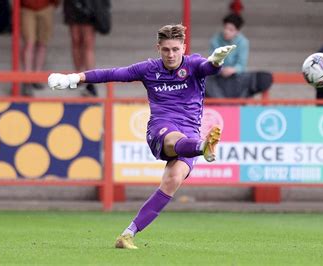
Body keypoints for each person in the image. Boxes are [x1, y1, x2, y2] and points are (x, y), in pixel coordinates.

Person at [47, 24, 235, 249]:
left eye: (176, 49)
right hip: (161, 127)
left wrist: (216, 62)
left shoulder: (193, 64)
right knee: (173, 139)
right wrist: (74, 78)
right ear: (158, 48)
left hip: (191, 132)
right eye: (166, 49)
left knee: (172, 180)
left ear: (183, 47)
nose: (171, 54)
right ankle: (203, 146)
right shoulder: (148, 69)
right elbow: (112, 74)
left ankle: (127, 235)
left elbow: (208, 68)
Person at [206, 13, 272, 98]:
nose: (226, 31)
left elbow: (242, 65)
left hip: (236, 77)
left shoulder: (243, 42)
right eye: (225, 28)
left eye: (231, 30)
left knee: (263, 78)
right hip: (218, 77)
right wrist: (221, 69)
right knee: (202, 79)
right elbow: (213, 62)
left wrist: (233, 70)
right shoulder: (215, 40)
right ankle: (225, 105)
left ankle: (229, 103)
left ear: (237, 31)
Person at [20, 0, 59, 96]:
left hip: (46, 6)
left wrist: (54, 3)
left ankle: (37, 76)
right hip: (27, 7)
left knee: (42, 43)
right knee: (29, 43)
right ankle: (27, 79)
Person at [63, 0, 98, 97]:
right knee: (76, 40)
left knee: (88, 43)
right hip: (73, 5)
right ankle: (78, 76)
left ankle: (90, 81)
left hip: (89, 5)